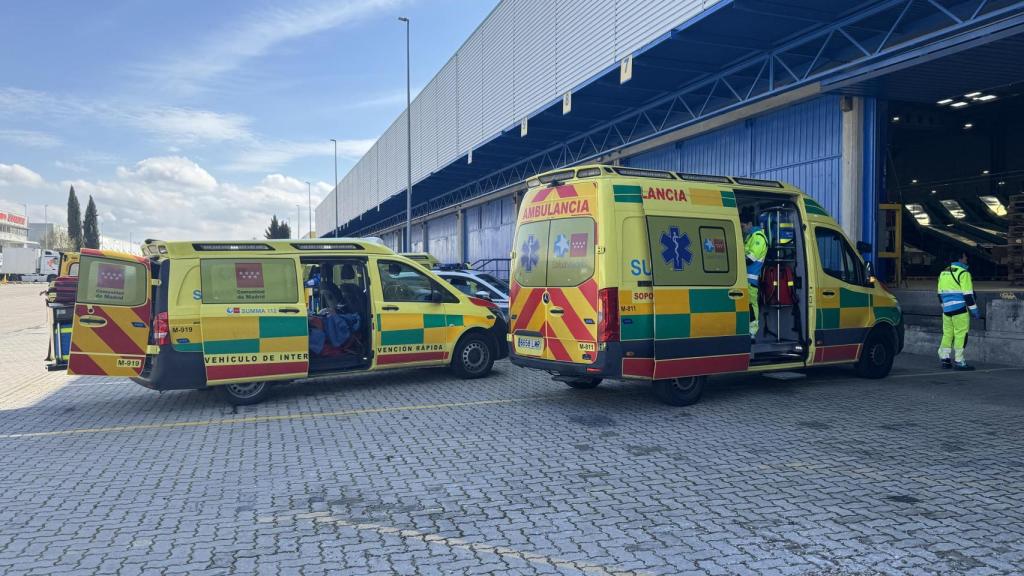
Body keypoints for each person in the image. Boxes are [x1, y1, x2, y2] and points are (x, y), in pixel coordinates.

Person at [937, 251, 979, 370]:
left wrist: (944, 306)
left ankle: (945, 359)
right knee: (961, 335)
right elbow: (968, 295)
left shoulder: (943, 273)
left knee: (947, 334)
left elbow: (939, 294)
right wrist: (974, 310)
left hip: (946, 310)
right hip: (960, 310)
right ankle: (959, 361)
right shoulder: (963, 273)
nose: (967, 260)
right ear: (960, 259)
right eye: (965, 257)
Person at [742, 208, 768, 340]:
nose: (742, 228)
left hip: (751, 279)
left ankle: (752, 331)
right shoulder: (750, 237)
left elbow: (750, 258)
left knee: (752, 305)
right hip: (744, 279)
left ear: (750, 224)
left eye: (743, 226)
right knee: (747, 305)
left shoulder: (759, 238)